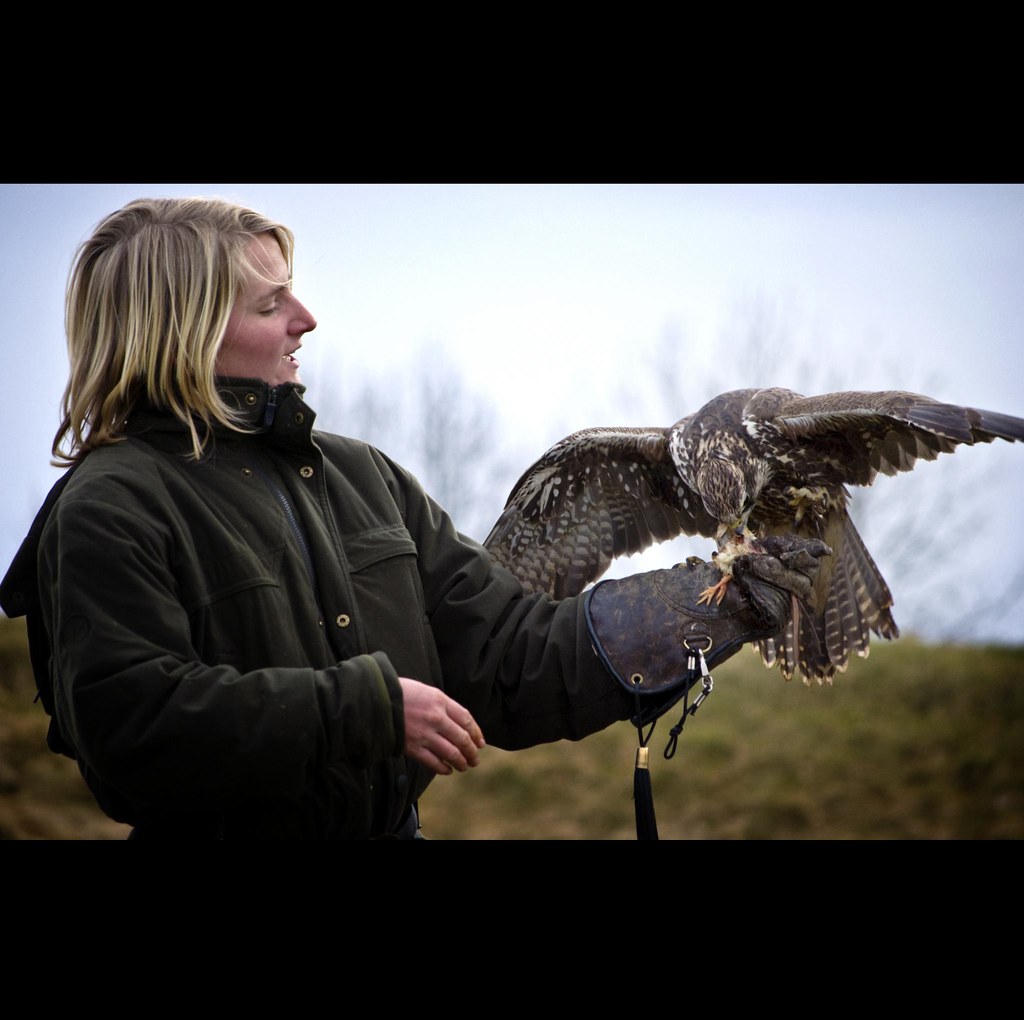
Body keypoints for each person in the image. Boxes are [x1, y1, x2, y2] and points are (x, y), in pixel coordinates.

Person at [0, 197, 826, 839]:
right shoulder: (110, 506)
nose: (306, 319)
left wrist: (700, 607)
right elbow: (132, 727)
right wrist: (368, 709)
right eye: (269, 304)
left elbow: (508, 659)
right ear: (182, 329)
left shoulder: (359, 476)